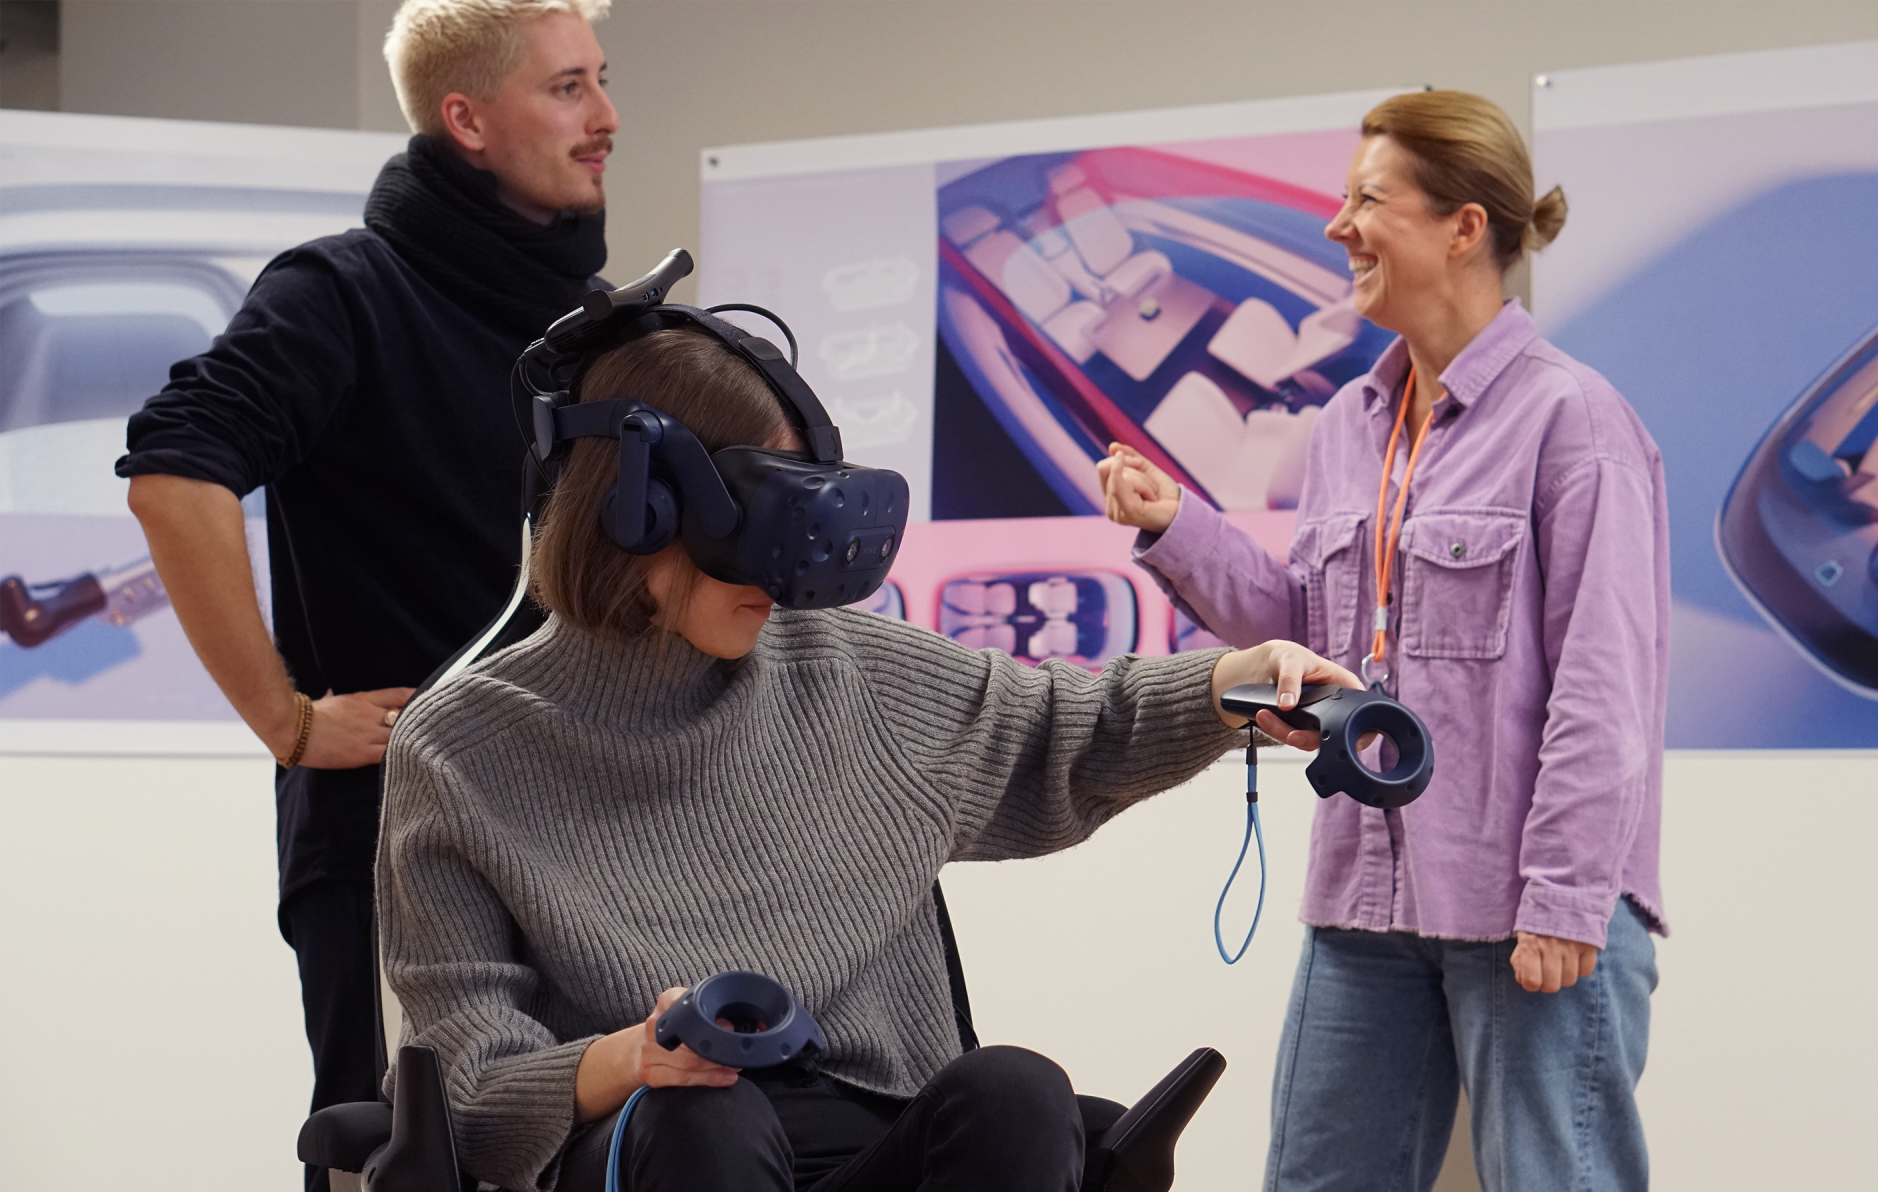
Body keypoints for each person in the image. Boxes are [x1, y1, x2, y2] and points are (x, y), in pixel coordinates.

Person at [376, 324, 1356, 1192]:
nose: (785, 569)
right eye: (761, 518)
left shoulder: (843, 668)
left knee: (1014, 1090)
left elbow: (1071, 729)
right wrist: (634, 1058)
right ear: (636, 508)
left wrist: (1237, 681)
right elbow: (466, 1088)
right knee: (707, 1113)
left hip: (872, 1135)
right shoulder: (461, 750)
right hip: (661, 1136)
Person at [1097, 91, 1668, 1191]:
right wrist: (1174, 526)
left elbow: (1605, 684)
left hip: (1524, 905)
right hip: (1363, 898)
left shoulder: (1573, 420)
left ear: (1462, 226)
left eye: (1367, 199)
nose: (1336, 224)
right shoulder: (1348, 425)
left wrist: (1559, 895)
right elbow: (1306, 637)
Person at [116, 3, 617, 1187]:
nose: (604, 119)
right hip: (391, 841)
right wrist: (286, 720)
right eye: (566, 89)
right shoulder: (344, 290)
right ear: (468, 119)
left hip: (584, 832)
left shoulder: (589, 328)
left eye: (602, 79)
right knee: (397, 1161)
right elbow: (174, 472)